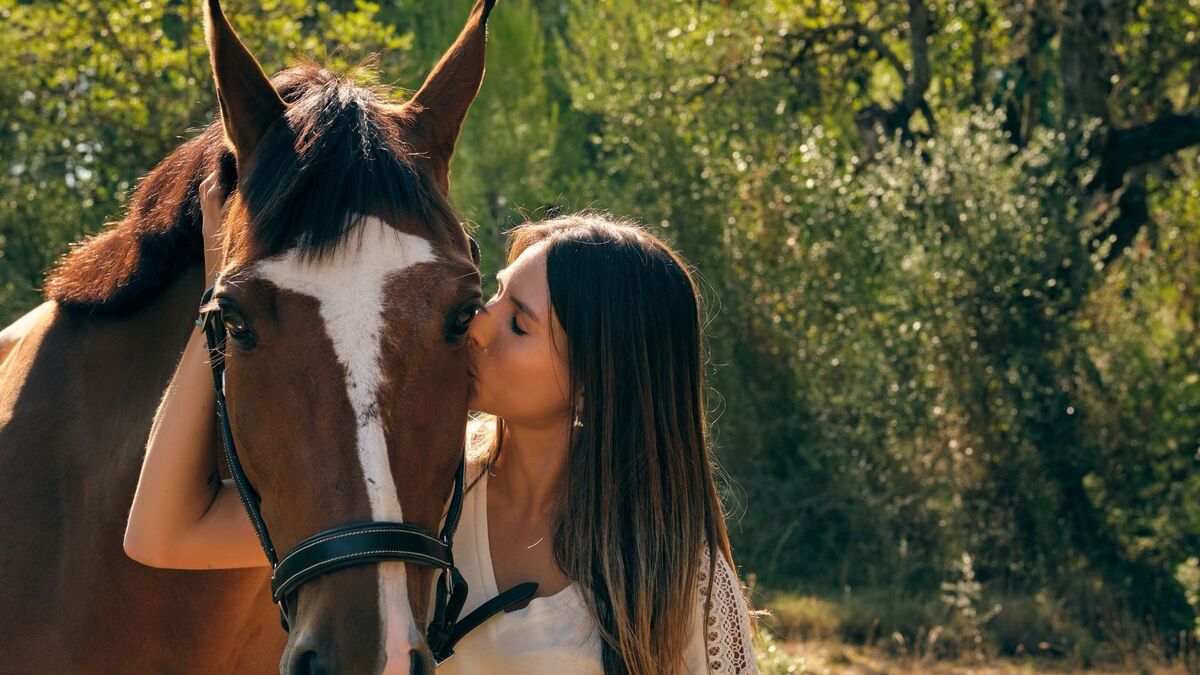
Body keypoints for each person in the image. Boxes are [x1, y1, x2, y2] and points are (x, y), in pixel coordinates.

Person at [124, 171, 760, 674]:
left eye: (519, 324)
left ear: (598, 383)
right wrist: (218, 302)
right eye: (494, 294)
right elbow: (162, 535)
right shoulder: (410, 494)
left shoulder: (683, 583)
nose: (478, 324)